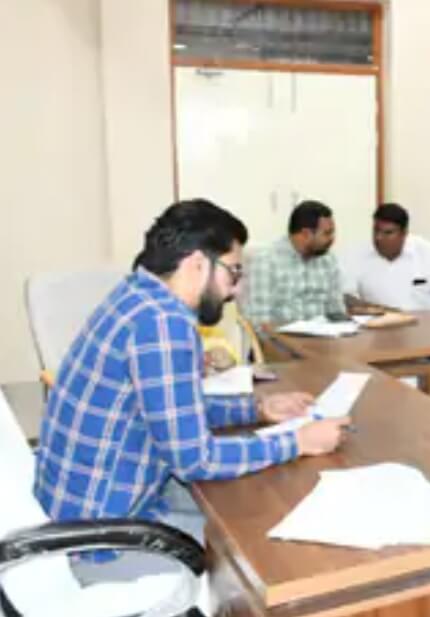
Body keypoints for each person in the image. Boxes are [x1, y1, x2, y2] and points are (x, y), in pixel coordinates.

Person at [33, 199, 350, 583]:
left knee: (243, 517)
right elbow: (196, 459)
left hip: (87, 515)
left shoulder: (138, 297)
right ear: (198, 264)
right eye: (234, 272)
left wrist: (257, 409)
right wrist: (298, 442)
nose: (236, 290)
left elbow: (175, 407)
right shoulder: (163, 324)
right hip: (101, 544)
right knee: (259, 560)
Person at [342, 203, 430, 311]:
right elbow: (345, 297)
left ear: (404, 234)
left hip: (423, 325)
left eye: (388, 233)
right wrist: (379, 311)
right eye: (376, 230)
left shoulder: (426, 252)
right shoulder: (358, 253)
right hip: (378, 324)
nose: (378, 238)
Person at [242, 200, 345, 326]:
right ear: (306, 234)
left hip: (326, 336)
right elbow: (260, 321)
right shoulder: (266, 261)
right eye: (327, 233)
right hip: (282, 337)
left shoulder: (328, 260)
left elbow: (337, 310)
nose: (332, 238)